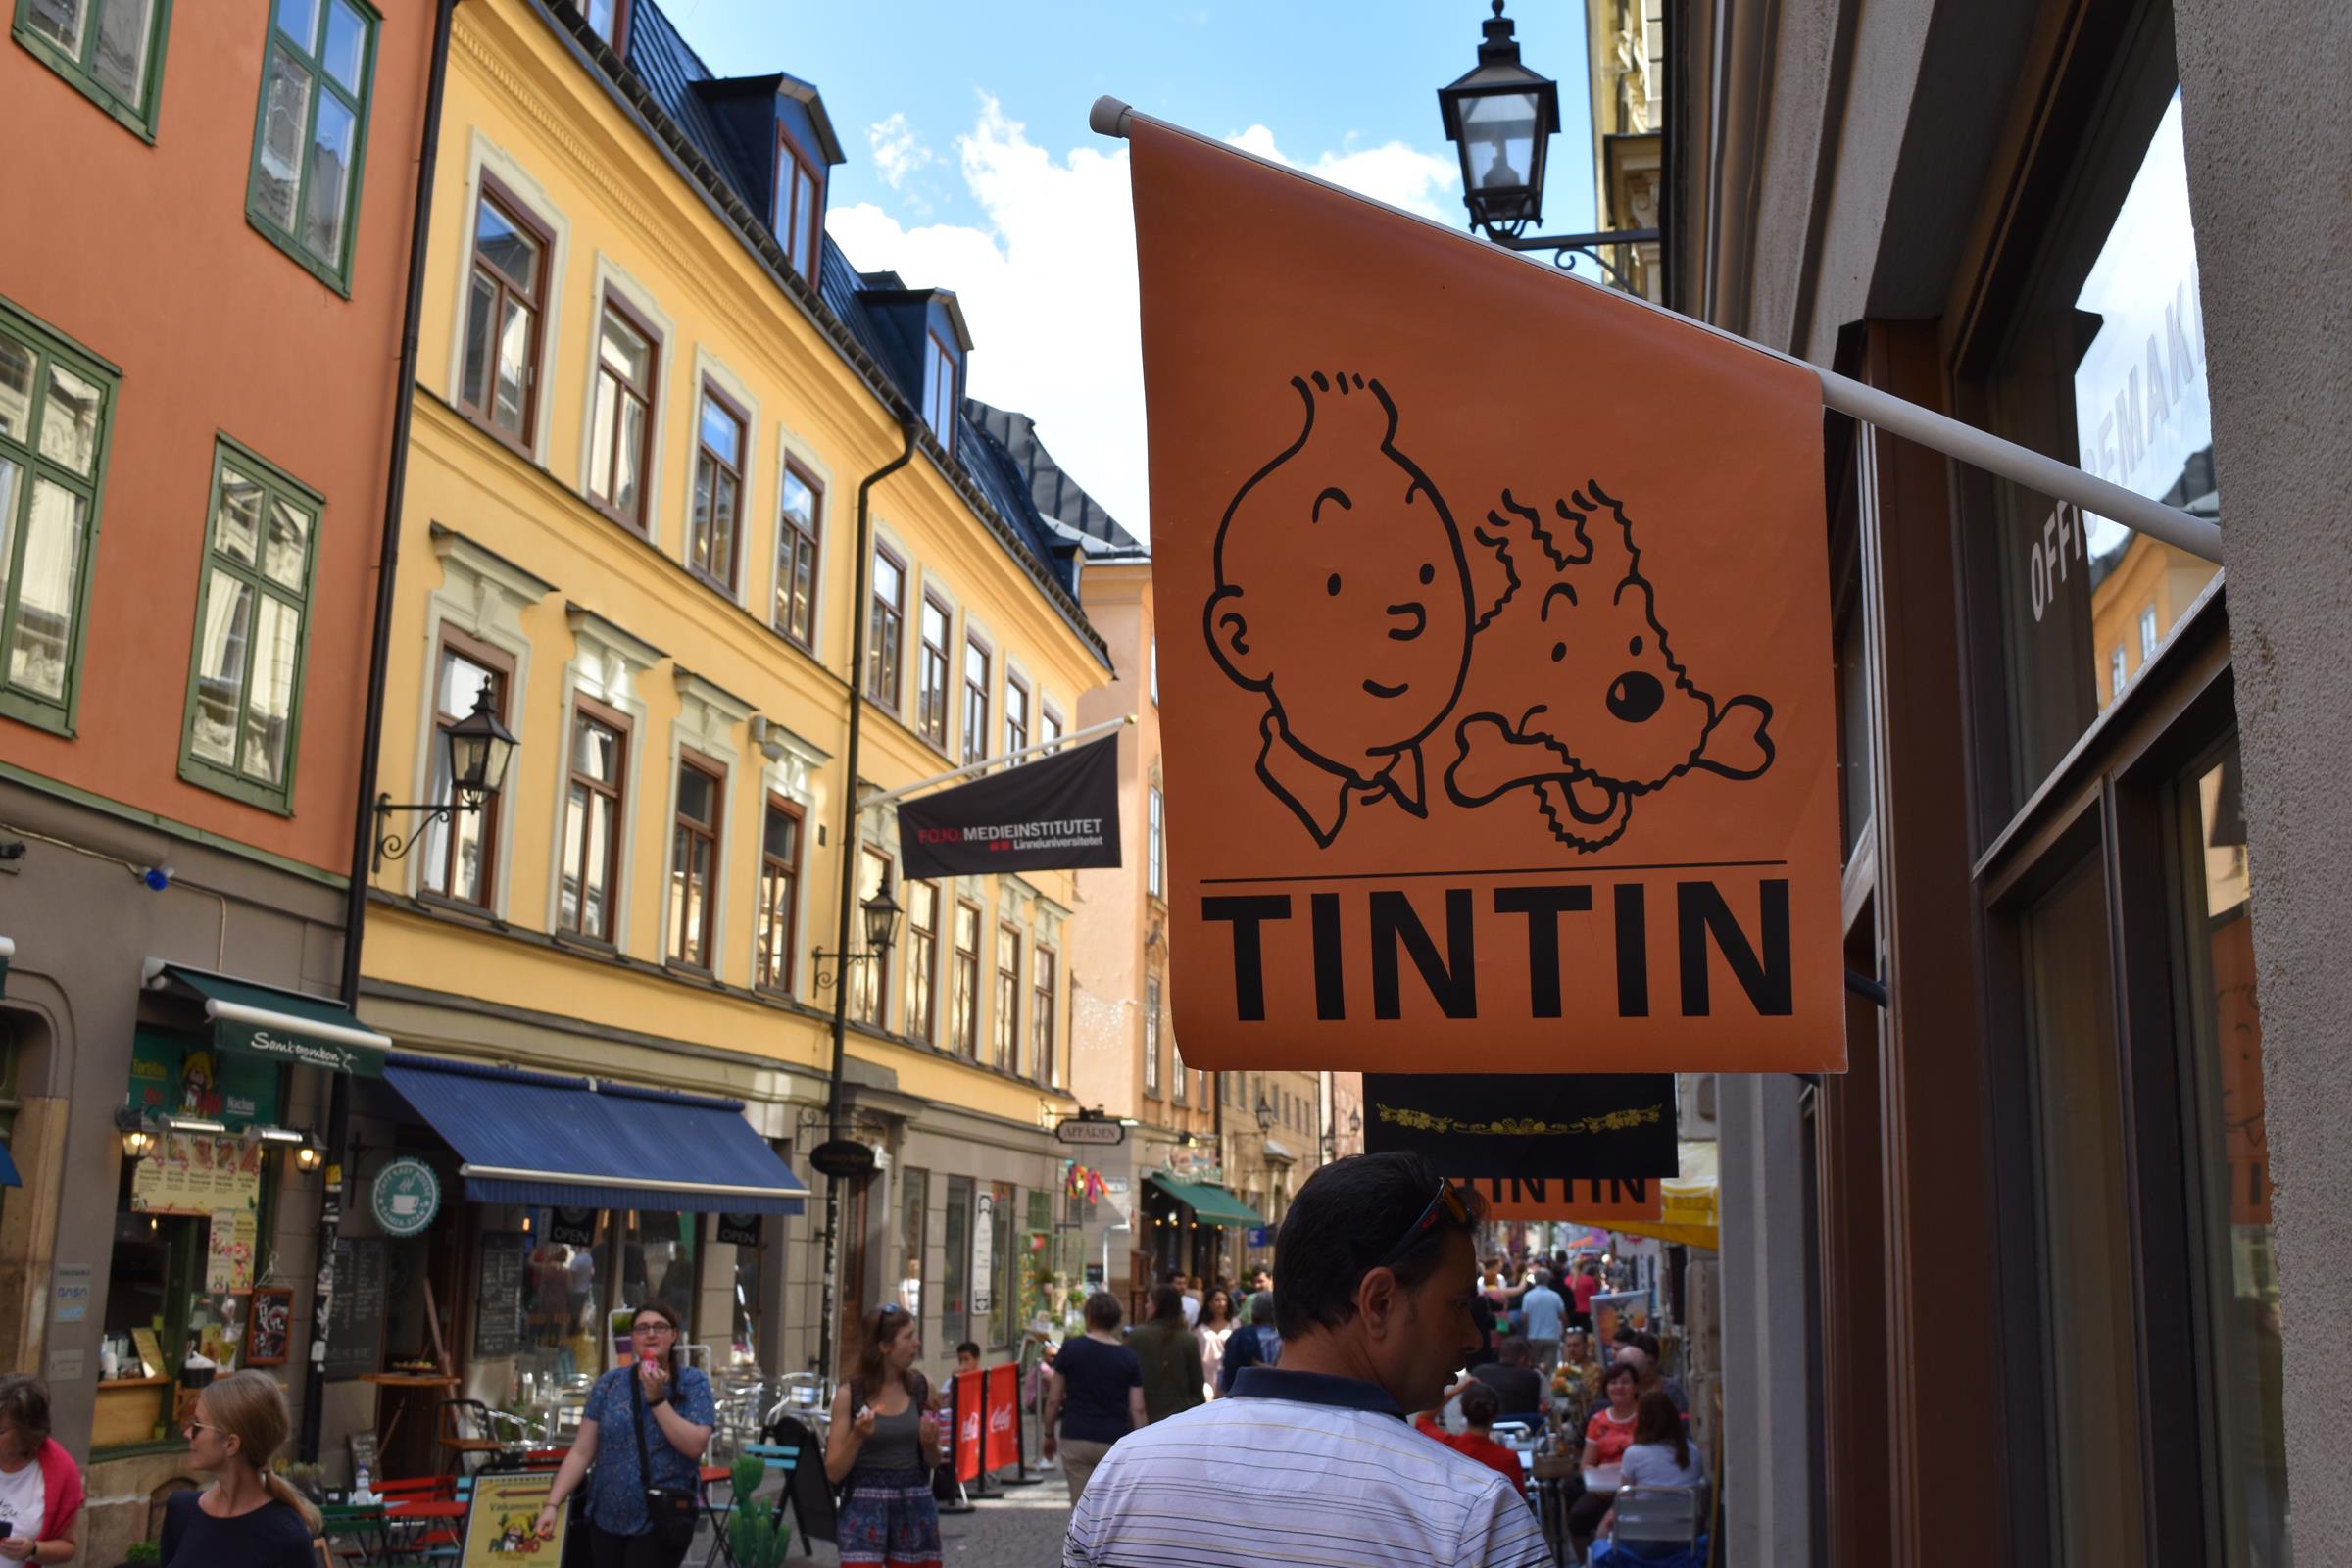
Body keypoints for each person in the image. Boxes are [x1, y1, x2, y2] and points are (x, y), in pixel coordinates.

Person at [1066, 1152, 1549, 1568]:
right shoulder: (1472, 1514)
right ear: (1379, 1303)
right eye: (1459, 1306)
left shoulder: (1124, 1475)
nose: (1472, 1337)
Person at [537, 1298, 715, 1567]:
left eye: (659, 1327)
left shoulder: (693, 1383)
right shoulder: (609, 1384)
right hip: (606, 1518)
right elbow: (582, 1452)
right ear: (632, 1338)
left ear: (674, 1335)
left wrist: (657, 1400)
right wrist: (552, 1505)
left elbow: (695, 1445)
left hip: (660, 1518)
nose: (651, 1334)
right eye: (642, 1328)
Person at [819, 1303, 943, 1568]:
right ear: (885, 1346)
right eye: (908, 1337)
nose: (917, 1343)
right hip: (864, 1507)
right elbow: (833, 1472)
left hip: (914, 1505)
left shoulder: (922, 1387)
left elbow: (934, 1461)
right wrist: (857, 1436)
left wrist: (930, 1443)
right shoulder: (849, 1395)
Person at [162, 1369, 319, 1567]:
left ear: (231, 1444)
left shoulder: (287, 1536)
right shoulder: (182, 1510)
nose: (187, 1433)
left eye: (197, 1426)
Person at [1041, 1293, 1145, 1503]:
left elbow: (1054, 1399)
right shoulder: (1128, 1357)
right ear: (1116, 1319)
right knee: (1111, 1506)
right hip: (1114, 1439)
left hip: (1076, 1435)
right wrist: (1143, 1444)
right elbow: (1138, 1409)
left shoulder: (1071, 1349)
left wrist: (1049, 1433)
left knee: (1081, 1506)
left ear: (1089, 1316)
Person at [0, 1377, 82, 1565]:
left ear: (27, 1431)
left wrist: (33, 1549)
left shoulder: (61, 1470)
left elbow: (68, 1546)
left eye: (0, 1431)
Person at [1568, 1361, 1642, 1556]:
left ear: (1636, 1386)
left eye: (1625, 1382)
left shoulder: (1645, 1417)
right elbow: (1586, 1463)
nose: (1618, 1387)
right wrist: (1597, 1485)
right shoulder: (1598, 1420)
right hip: (1602, 1489)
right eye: (1613, 1382)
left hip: (1636, 1487)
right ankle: (1589, 1560)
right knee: (1578, 1516)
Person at [1413, 1379, 1525, 1499]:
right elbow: (1519, 1501)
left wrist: (1452, 1393)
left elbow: (1422, 1420)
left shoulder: (1447, 1447)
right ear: (1495, 1415)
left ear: (1463, 1411)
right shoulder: (1508, 1459)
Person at [1130, 1285, 1205, 1424]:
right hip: (1180, 1418)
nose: (1146, 1306)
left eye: (1149, 1301)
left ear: (1158, 1306)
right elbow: (1197, 1384)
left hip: (1144, 1417)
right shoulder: (1188, 1339)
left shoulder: (1136, 1336)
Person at [1214, 1290, 1280, 1394]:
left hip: (1239, 1397)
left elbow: (1223, 1378)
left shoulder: (1238, 1337)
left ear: (1253, 1314)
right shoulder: (1285, 1341)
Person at [1472, 1336, 1546, 1420]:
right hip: (1521, 1426)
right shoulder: (1532, 1377)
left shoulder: (1479, 1372)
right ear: (1522, 1359)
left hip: (1486, 1425)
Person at [1616, 1336, 1690, 1417]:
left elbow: (1684, 1419)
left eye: (1651, 1364)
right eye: (1641, 1365)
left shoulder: (1673, 1390)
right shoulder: (1623, 1391)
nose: (1647, 1370)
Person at [1519, 1270, 1566, 1374]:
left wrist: (1528, 1330)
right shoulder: (1555, 1296)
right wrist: (1564, 1332)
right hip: (1552, 1336)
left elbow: (1524, 1318)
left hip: (1534, 1336)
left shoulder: (1528, 1296)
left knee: (1535, 1367)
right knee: (1551, 1369)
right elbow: (1563, 1317)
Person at [1195, 1286, 1237, 1400]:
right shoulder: (1200, 1328)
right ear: (1209, 1304)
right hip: (1206, 1375)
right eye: (1217, 1300)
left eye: (1224, 1300)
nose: (1221, 1303)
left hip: (1228, 1373)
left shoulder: (1235, 1324)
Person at [1569, 1257, 1602, 1330]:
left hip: (1572, 1314)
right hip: (1587, 1313)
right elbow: (1594, 1297)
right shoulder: (1589, 1280)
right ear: (1584, 1267)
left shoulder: (1567, 1280)